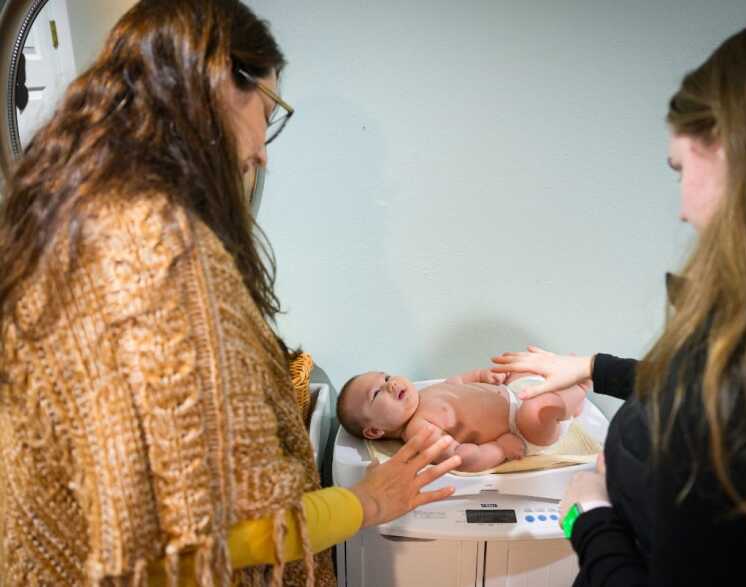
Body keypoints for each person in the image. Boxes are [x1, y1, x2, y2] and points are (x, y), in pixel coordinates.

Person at [0, 1, 461, 585]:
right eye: (266, 113)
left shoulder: (72, 221)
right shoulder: (161, 255)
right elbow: (216, 534)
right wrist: (372, 500)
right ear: (213, 89)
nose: (262, 152)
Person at [493, 7, 746, 586]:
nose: (681, 208)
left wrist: (590, 515)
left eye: (679, 169)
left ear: (745, 157)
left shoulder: (735, 406)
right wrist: (597, 368)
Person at [337, 368, 586, 472]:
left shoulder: (422, 394)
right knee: (538, 409)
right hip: (522, 427)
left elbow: (456, 383)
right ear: (374, 431)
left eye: (386, 377)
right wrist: (499, 449)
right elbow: (461, 457)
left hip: (514, 393)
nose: (390, 384)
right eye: (377, 393)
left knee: (518, 365)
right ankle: (578, 392)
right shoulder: (418, 431)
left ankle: (563, 397)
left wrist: (481, 374)